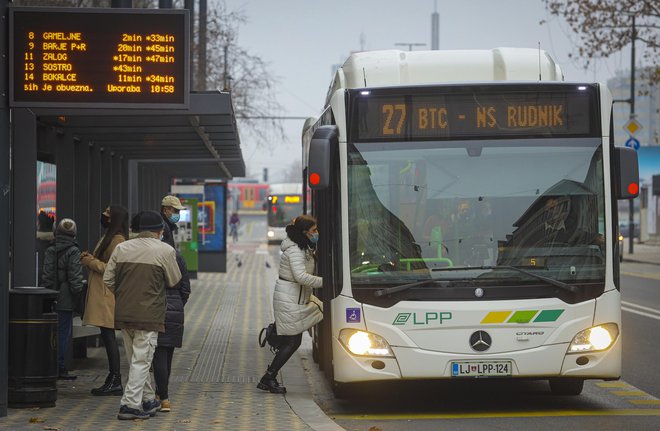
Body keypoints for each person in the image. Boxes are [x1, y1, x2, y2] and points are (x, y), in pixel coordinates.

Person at [104, 211, 182, 421]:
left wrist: (125, 295)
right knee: (141, 360)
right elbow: (174, 279)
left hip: (123, 313)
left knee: (137, 360)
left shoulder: (121, 248)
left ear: (136, 230)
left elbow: (108, 280)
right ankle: (129, 405)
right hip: (149, 315)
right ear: (160, 230)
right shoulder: (165, 250)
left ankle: (148, 399)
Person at [257, 215, 323, 394]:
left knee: (292, 340)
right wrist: (324, 282)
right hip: (289, 298)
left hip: (294, 297)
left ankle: (269, 376)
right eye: (314, 231)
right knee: (293, 341)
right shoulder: (295, 251)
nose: (317, 234)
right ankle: (268, 377)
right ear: (304, 232)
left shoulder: (303, 247)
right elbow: (300, 276)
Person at [81, 205, 129, 396]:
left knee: (109, 337)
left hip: (106, 295)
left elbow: (113, 269)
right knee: (107, 336)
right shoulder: (110, 236)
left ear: (115, 218)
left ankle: (115, 378)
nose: (104, 215)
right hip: (102, 293)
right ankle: (112, 377)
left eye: (108, 213)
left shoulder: (117, 240)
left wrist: (90, 261)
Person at [42, 218, 84, 380]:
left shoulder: (51, 249)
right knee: (63, 332)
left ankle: (49, 365)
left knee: (51, 332)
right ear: (73, 233)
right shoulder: (73, 251)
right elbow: (75, 279)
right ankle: (60, 366)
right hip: (66, 298)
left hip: (51, 294)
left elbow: (46, 275)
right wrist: (78, 295)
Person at [152, 251, 190, 413]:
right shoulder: (178, 256)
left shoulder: (152, 255)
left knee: (159, 353)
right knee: (167, 353)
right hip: (175, 307)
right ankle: (162, 396)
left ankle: (163, 397)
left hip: (155, 305)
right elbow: (186, 289)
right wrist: (178, 303)